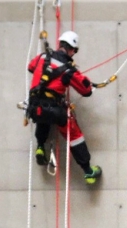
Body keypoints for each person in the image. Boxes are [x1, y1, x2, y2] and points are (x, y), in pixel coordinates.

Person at [26, 31, 101, 184]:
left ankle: (40, 146)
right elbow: (86, 90)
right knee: (75, 136)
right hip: (54, 110)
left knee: (43, 117)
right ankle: (88, 171)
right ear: (72, 49)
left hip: (34, 107)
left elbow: (31, 66)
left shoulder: (41, 57)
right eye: (75, 50)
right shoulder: (68, 69)